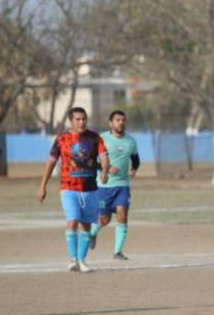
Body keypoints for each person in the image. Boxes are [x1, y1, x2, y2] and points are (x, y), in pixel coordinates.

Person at [37, 107, 109, 273]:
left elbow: (104, 157)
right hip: (68, 187)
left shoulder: (94, 138)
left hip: (90, 189)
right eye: (78, 119)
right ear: (71, 121)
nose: (81, 122)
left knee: (86, 226)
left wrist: (104, 172)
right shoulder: (62, 139)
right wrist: (43, 186)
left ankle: (82, 260)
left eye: (84, 119)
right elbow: (51, 162)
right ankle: (73, 259)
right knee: (72, 220)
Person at [89, 110, 140, 260]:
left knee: (122, 213)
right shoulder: (102, 139)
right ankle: (92, 233)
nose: (121, 122)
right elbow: (91, 162)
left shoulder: (131, 141)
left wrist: (133, 169)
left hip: (122, 185)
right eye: (117, 120)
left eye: (123, 120)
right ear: (111, 123)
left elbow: (136, 160)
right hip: (104, 186)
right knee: (104, 220)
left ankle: (117, 252)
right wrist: (106, 168)